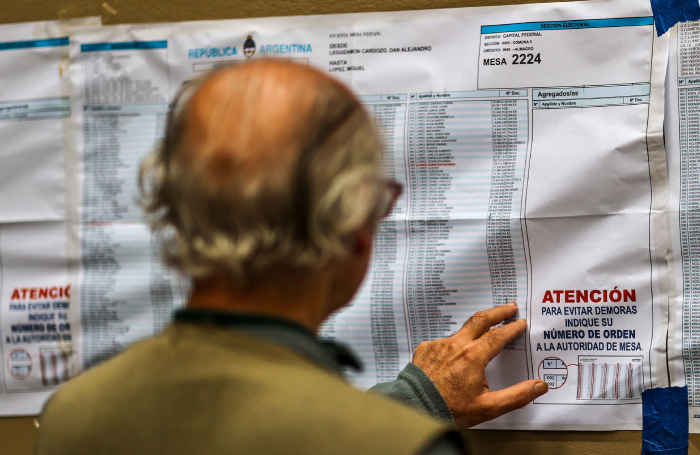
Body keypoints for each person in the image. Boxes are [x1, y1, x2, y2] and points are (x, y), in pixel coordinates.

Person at [35, 60, 548, 455]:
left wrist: (412, 402)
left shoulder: (71, 418)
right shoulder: (403, 446)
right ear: (351, 227)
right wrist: (411, 413)